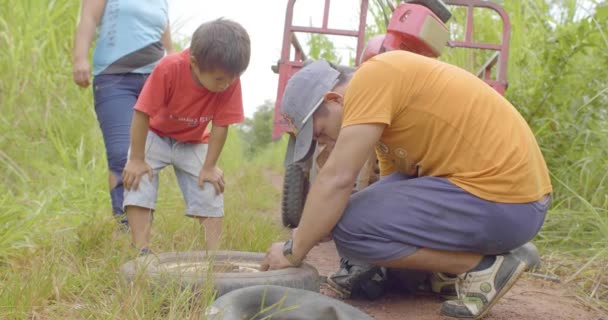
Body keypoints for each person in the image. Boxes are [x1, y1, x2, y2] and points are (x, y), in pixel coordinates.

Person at [261, 52, 552, 319]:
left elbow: (337, 179)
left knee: (350, 226)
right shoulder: (385, 124)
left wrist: (293, 250)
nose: (321, 143)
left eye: (320, 133)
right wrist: (321, 222)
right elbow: (388, 199)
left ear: (334, 100)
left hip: (508, 200)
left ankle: (480, 267)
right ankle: (450, 273)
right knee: (352, 218)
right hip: (505, 200)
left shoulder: (371, 79)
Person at [121, 18, 250, 255]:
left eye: (233, 78)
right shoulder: (169, 68)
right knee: (138, 178)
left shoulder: (229, 80)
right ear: (194, 64)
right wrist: (137, 158)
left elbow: (221, 125)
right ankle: (141, 249)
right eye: (220, 79)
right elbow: (142, 112)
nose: (227, 84)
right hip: (155, 135)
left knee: (212, 186)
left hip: (192, 141)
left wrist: (210, 166)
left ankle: (214, 255)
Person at [72, 0, 174, 228]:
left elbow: (166, 40)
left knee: (146, 154)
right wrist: (80, 58)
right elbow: (88, 18)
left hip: (155, 80)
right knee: (121, 154)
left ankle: (142, 228)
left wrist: (175, 64)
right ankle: (124, 224)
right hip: (114, 78)